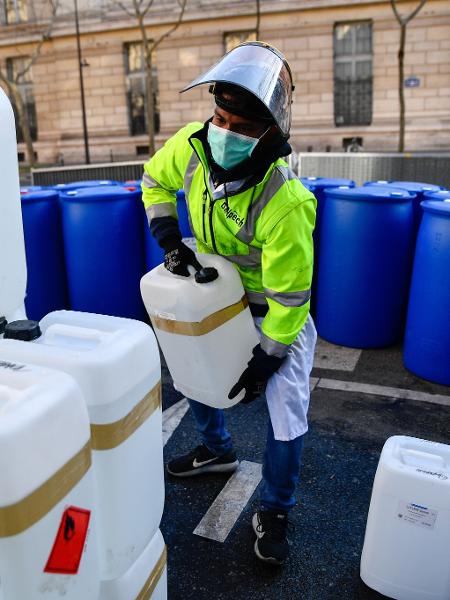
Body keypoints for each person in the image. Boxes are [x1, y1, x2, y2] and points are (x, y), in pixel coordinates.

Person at [142, 41, 317, 566]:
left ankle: (276, 507)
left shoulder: (286, 201)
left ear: (268, 131)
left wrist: (269, 355)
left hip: (270, 314)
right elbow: (154, 179)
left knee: (286, 412)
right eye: (218, 117)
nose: (223, 131)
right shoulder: (192, 148)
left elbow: (290, 297)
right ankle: (216, 451)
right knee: (193, 369)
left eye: (239, 127)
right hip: (216, 294)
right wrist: (170, 237)